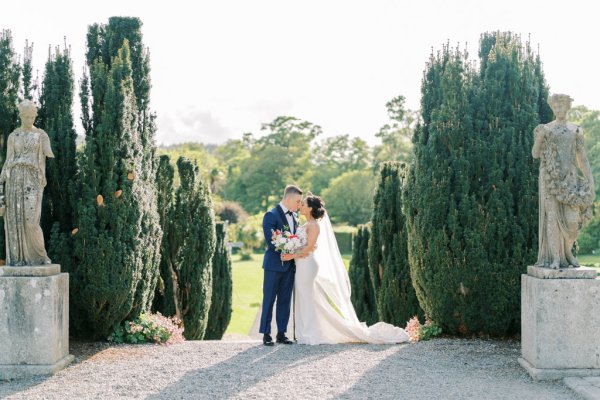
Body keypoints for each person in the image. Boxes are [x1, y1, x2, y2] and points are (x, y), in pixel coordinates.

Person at [286, 193, 409, 345]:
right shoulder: (304, 224)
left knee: (306, 297)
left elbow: (309, 248)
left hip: (308, 265)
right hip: (302, 265)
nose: (300, 206)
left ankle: (311, 333)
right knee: (305, 297)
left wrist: (289, 256)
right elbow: (305, 245)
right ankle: (305, 331)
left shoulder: (314, 226)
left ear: (310, 208)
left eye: (303, 204)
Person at [532, 94, 595, 269]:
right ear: (553, 108)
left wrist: (590, 181)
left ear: (567, 107)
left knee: (573, 220)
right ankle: (555, 258)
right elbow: (535, 154)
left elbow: (583, 158)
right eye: (556, 107)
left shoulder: (576, 130)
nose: (558, 109)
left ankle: (567, 253)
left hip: (570, 179)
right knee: (552, 218)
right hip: (549, 180)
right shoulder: (545, 129)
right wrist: (539, 138)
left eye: (561, 106)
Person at [0, 100, 54, 266]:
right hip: (14, 179)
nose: (30, 119)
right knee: (15, 220)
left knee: (31, 221)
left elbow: (48, 153)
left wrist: (46, 146)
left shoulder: (41, 135)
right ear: (21, 116)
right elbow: (8, 160)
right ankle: (18, 259)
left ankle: (40, 256)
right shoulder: (13, 136)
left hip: (32, 180)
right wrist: (1, 186)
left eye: (33, 116)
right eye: (27, 116)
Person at [259, 185, 302, 346]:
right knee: (269, 299)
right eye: (297, 201)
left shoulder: (296, 217)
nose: (299, 204)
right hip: (273, 265)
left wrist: (294, 251)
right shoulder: (271, 215)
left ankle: (282, 333)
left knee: (285, 300)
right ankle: (266, 333)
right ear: (288, 198)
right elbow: (271, 240)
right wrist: (287, 247)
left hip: (290, 267)